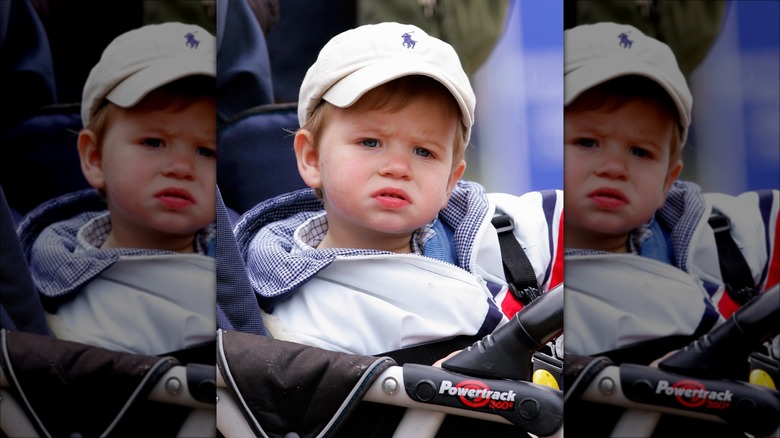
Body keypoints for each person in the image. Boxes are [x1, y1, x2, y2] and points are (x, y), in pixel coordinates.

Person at [229, 21, 564, 360]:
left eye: (424, 152)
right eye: (370, 142)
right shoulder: (290, 315)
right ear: (312, 158)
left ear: (450, 180)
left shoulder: (496, 230)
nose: (398, 168)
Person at [562, 21, 779, 436]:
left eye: (641, 151)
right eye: (587, 142)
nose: (614, 167)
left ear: (667, 181)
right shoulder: (512, 255)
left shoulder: (717, 240)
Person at [15, 22, 218, 358]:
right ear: (95, 158)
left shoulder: (246, 273)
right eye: (154, 142)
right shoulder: (34, 286)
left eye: (206, 151)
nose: (181, 168)